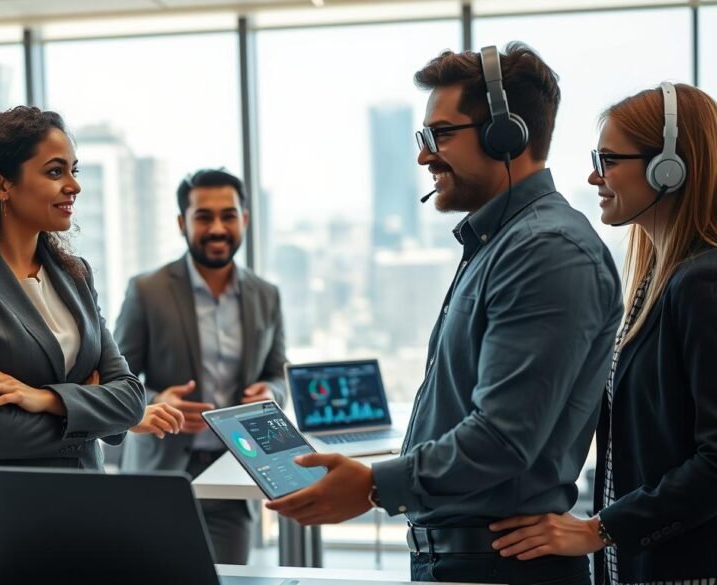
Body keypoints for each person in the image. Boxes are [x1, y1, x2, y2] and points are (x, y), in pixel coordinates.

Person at [266, 43, 623, 584]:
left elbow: (503, 437)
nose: (423, 156)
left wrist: (372, 485)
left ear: (506, 135)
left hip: (499, 566)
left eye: (438, 135)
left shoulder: (546, 251)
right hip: (467, 560)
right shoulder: (500, 243)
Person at [0, 105, 183, 575]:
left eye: (73, 171)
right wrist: (93, 409)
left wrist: (43, 400)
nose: (73, 186)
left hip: (86, 503)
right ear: (0, 185)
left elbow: (131, 397)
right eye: (55, 171)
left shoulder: (75, 276)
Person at [488, 83, 717, 583]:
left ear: (669, 169)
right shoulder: (657, 280)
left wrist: (601, 529)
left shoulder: (702, 282)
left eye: (609, 160)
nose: (593, 175)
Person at [116, 168, 288, 564]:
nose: (217, 228)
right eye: (203, 216)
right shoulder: (146, 290)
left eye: (228, 215)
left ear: (244, 218)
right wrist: (157, 400)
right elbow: (114, 382)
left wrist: (271, 392)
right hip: (160, 476)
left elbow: (278, 372)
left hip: (236, 470)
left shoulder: (267, 295)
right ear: (182, 223)